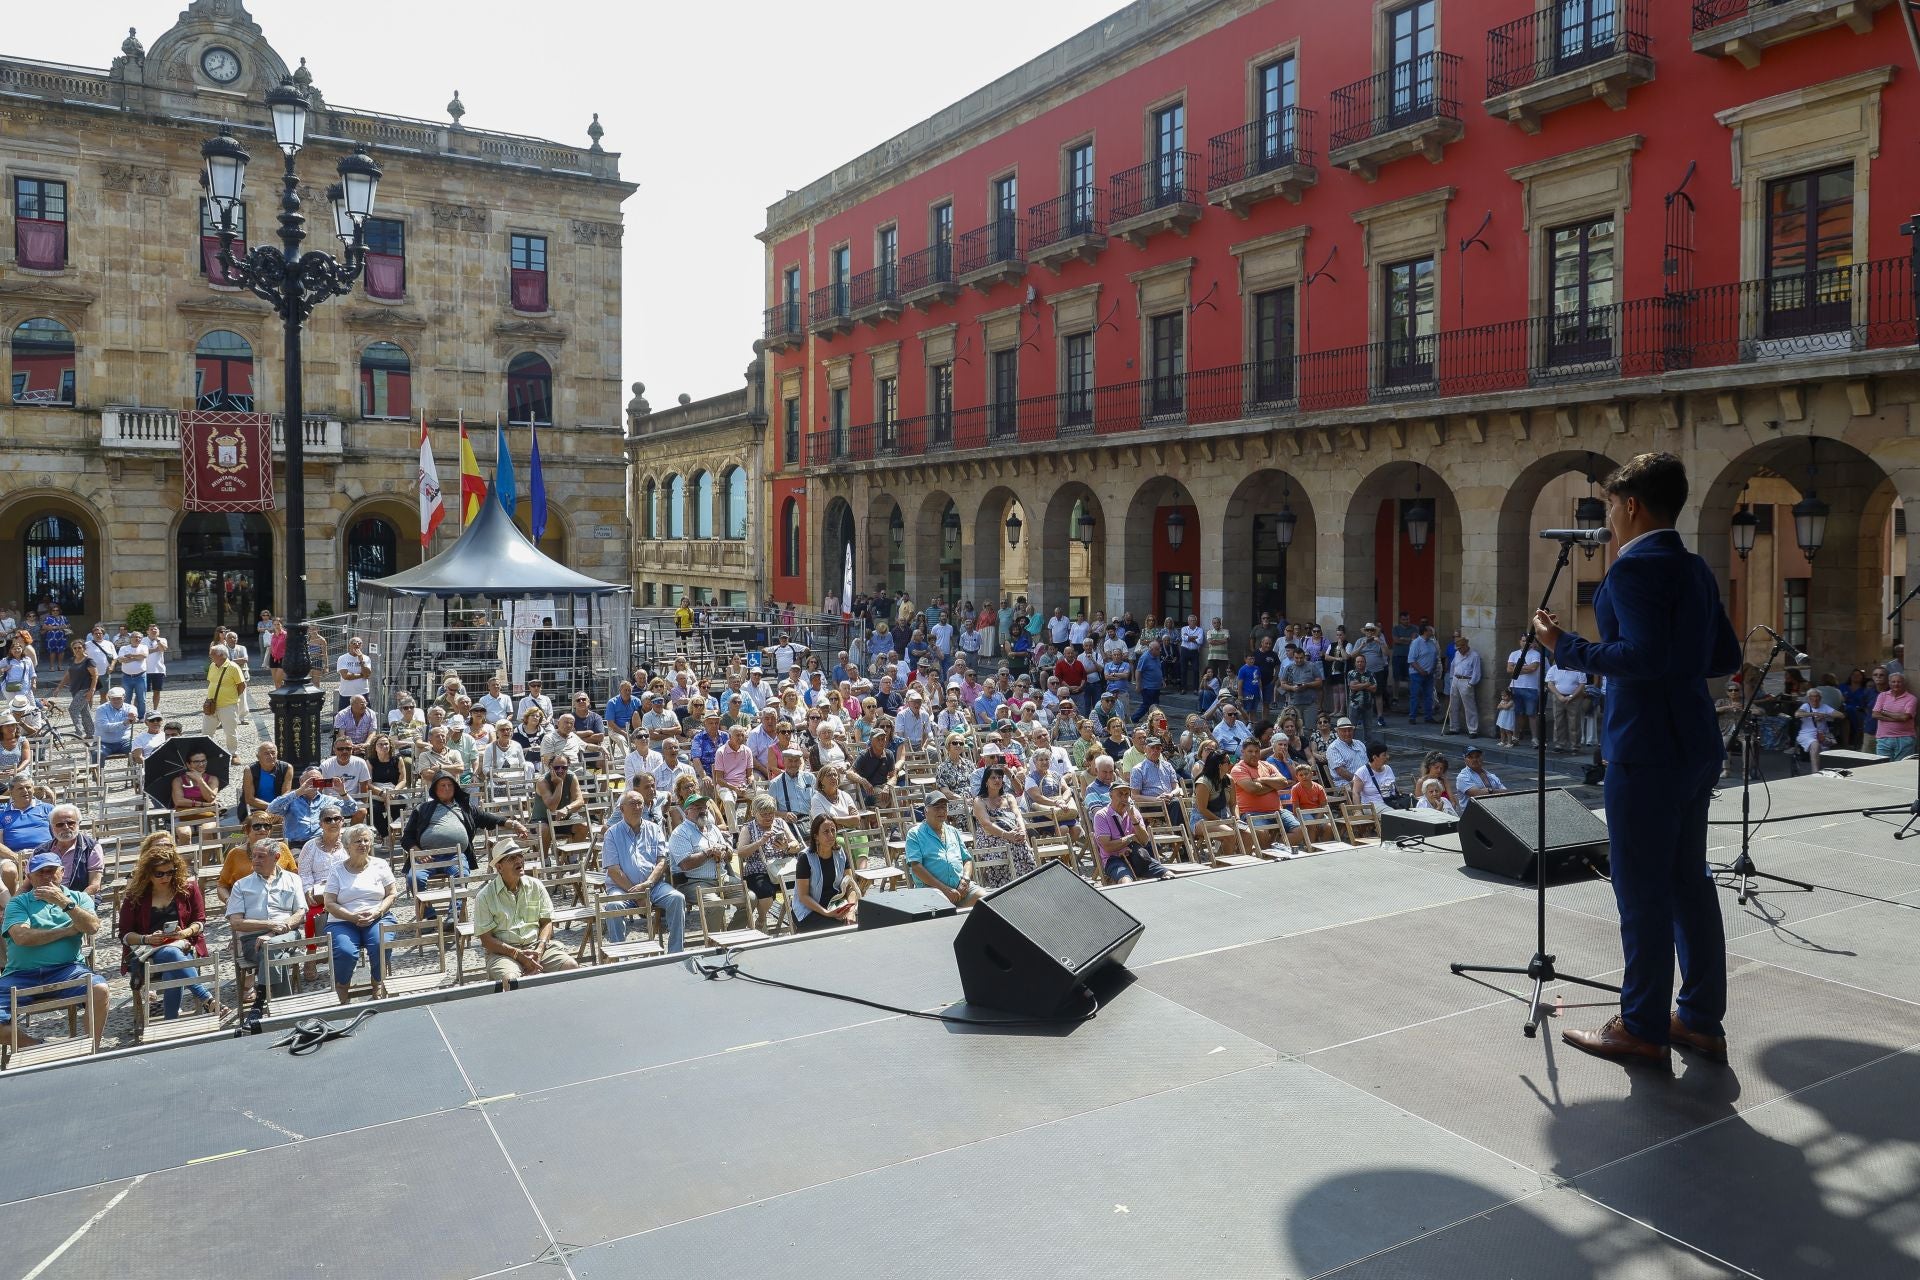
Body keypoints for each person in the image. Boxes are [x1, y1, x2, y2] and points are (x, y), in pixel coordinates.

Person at [1532, 451, 1740, 1064]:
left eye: (1612, 508)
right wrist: (1676, 667)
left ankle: (1643, 1026)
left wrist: (1562, 646)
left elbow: (1640, 658)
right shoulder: (1696, 569)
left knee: (1642, 889)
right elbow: (1723, 656)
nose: (1610, 522)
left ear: (1630, 506)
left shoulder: (1630, 572)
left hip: (1643, 749)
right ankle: (1700, 1019)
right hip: (1694, 743)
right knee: (1689, 883)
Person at [1, 850, 108, 1051]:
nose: (46, 877)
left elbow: (92, 926)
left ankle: (90, 1050)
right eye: (40, 873)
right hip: (20, 975)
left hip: (67, 969)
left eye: (51, 871)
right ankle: (37, 1046)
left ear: (62, 872)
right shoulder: (18, 903)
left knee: (100, 989)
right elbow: (22, 937)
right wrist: (67, 931)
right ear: (29, 877)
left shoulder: (78, 899)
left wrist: (65, 904)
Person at [116, 832, 221, 1020]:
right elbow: (124, 934)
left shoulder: (188, 888)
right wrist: (147, 938)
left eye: (170, 872)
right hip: (147, 951)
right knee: (170, 956)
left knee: (172, 961)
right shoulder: (135, 895)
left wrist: (185, 933)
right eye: (159, 874)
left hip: (181, 944)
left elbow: (200, 920)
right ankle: (208, 999)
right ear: (148, 872)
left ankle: (170, 1019)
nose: (166, 877)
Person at [472, 842, 579, 989]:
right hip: (503, 953)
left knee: (571, 967)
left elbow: (547, 922)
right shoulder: (484, 896)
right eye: (511, 858)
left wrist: (540, 949)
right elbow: (486, 940)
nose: (519, 861)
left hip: (537, 947)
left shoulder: (536, 885)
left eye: (520, 856)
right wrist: (517, 954)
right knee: (512, 980)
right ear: (499, 867)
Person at [226, 836, 306, 1015]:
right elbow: (236, 922)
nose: (255, 860)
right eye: (253, 856)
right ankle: (285, 1011)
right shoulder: (242, 885)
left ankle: (260, 1000)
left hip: (288, 934)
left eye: (261, 856)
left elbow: (300, 914)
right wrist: (270, 925)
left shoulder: (293, 879)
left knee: (269, 946)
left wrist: (272, 933)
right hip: (252, 940)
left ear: (276, 857)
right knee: (275, 954)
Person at [600, 788, 688, 952]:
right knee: (613, 906)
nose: (637, 807)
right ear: (622, 809)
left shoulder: (654, 829)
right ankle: (620, 956)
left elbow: (662, 861)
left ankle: (676, 952)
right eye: (632, 803)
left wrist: (648, 884)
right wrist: (637, 894)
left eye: (640, 803)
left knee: (677, 898)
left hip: (653, 886)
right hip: (622, 889)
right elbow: (612, 870)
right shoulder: (612, 834)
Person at [322, 823, 398, 1003]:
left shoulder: (380, 864)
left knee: (381, 943)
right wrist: (351, 917)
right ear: (347, 846)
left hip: (377, 917)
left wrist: (377, 911)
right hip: (343, 920)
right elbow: (329, 903)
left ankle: (377, 983)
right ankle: (342, 986)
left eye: (366, 840)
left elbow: (392, 893)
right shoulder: (337, 869)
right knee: (346, 952)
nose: (363, 844)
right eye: (358, 841)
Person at [668, 793, 749, 934]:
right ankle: (714, 943)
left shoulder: (713, 828)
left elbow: (729, 856)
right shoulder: (680, 833)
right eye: (698, 807)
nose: (703, 810)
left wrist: (725, 851)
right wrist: (708, 852)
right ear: (687, 811)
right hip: (693, 882)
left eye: (704, 807)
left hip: (722, 878)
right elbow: (685, 865)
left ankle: (731, 935)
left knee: (750, 898)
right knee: (716, 906)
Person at [903, 792, 984, 907]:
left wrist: (965, 880)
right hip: (932, 890)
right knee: (945, 909)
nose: (941, 811)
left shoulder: (953, 831)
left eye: (944, 807)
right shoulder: (915, 834)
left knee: (986, 900)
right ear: (926, 811)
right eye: (937, 807)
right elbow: (916, 867)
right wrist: (945, 889)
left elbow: (967, 859)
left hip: (960, 888)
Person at [734, 795, 798, 932]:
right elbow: (741, 852)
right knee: (766, 893)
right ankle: (762, 919)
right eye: (764, 814)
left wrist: (786, 847)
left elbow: (796, 844)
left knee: (803, 884)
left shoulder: (780, 823)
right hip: (759, 870)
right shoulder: (748, 828)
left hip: (781, 868)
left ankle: (800, 918)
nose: (769, 817)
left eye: (771, 813)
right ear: (754, 813)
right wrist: (759, 842)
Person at [1090, 780, 1172, 883]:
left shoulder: (1134, 812)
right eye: (1120, 794)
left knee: (1169, 875)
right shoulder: (1101, 816)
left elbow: (1144, 841)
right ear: (1111, 795)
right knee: (1126, 882)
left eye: (1126, 794)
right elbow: (1107, 846)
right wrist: (1130, 838)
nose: (1124, 798)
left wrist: (1133, 818)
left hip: (1137, 857)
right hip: (1114, 859)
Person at [971, 762, 1034, 889]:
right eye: (993, 778)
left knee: (1021, 845)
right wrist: (1006, 835)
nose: (997, 780)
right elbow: (986, 824)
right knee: (1010, 847)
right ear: (986, 781)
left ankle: (1026, 885)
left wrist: (1022, 830)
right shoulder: (980, 801)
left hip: (1013, 835)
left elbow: (1018, 816)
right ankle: (1005, 886)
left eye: (1000, 777)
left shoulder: (1008, 797)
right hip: (991, 838)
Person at [795, 814, 859, 931]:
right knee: (838, 928)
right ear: (816, 836)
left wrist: (851, 910)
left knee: (868, 917)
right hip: (810, 910)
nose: (831, 835)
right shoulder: (805, 858)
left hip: (836, 905)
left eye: (833, 830)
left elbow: (850, 885)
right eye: (825, 832)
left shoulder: (840, 853)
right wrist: (827, 913)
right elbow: (803, 896)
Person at [30, 804, 104, 898]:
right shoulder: (40, 851)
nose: (66, 827)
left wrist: (68, 902)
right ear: (52, 827)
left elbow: (94, 885)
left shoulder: (91, 848)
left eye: (71, 823)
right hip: (44, 900)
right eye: (60, 824)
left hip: (81, 899)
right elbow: (26, 886)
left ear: (78, 824)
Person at [202, 644, 247, 753]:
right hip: (211, 704)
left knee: (230, 732)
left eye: (212, 653)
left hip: (228, 705)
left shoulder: (233, 667)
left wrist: (232, 697)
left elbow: (242, 685)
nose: (210, 655)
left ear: (221, 655)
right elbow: (211, 682)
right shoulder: (212, 666)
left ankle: (233, 753)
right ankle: (206, 753)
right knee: (206, 732)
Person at [1870, 671, 1916, 763]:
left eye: (1899, 682)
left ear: (1904, 683)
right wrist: (1897, 717)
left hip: (1905, 739)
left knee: (1902, 768)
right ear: (1889, 683)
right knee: (1883, 767)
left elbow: (1905, 718)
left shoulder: (1911, 698)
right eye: (1893, 682)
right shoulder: (1882, 695)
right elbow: (1875, 714)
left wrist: (1884, 712)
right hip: (1884, 738)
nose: (1896, 684)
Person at [1794, 688, 1842, 772]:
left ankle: (1821, 769)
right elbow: (1797, 714)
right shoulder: (1806, 706)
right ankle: (1815, 772)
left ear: (1820, 698)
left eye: (1817, 696)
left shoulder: (1824, 706)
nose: (1815, 699)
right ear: (1809, 698)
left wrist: (1825, 715)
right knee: (1815, 744)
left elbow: (1841, 715)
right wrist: (1814, 714)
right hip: (1807, 734)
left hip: (1823, 735)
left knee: (1821, 746)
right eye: (1812, 696)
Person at [1445, 635, 1482, 737]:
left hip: (1466, 681)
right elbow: (1453, 666)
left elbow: (1477, 672)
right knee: (1453, 705)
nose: (1459, 650)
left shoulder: (1474, 656)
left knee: (1469, 707)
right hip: (1456, 680)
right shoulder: (1457, 654)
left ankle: (1473, 730)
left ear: (1465, 646)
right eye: (1458, 648)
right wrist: (1452, 679)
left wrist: (1471, 684)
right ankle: (1454, 727)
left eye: (1461, 648)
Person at [94, 686, 134, 760]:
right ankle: (97, 771)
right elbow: (104, 727)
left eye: (119, 698)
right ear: (109, 699)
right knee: (97, 753)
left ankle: (140, 770)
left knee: (138, 750)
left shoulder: (130, 708)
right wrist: (123, 723)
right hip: (103, 742)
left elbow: (133, 712)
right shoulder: (101, 709)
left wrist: (133, 715)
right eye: (113, 699)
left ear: (124, 697)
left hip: (124, 742)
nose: (116, 701)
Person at [334, 636, 373, 712]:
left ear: (361, 646)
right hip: (346, 694)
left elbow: (367, 675)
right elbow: (346, 676)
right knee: (344, 719)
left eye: (359, 643)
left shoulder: (366, 658)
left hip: (362, 693)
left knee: (364, 717)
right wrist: (361, 675)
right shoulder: (342, 658)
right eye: (354, 643)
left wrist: (361, 660)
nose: (357, 644)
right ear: (349, 645)